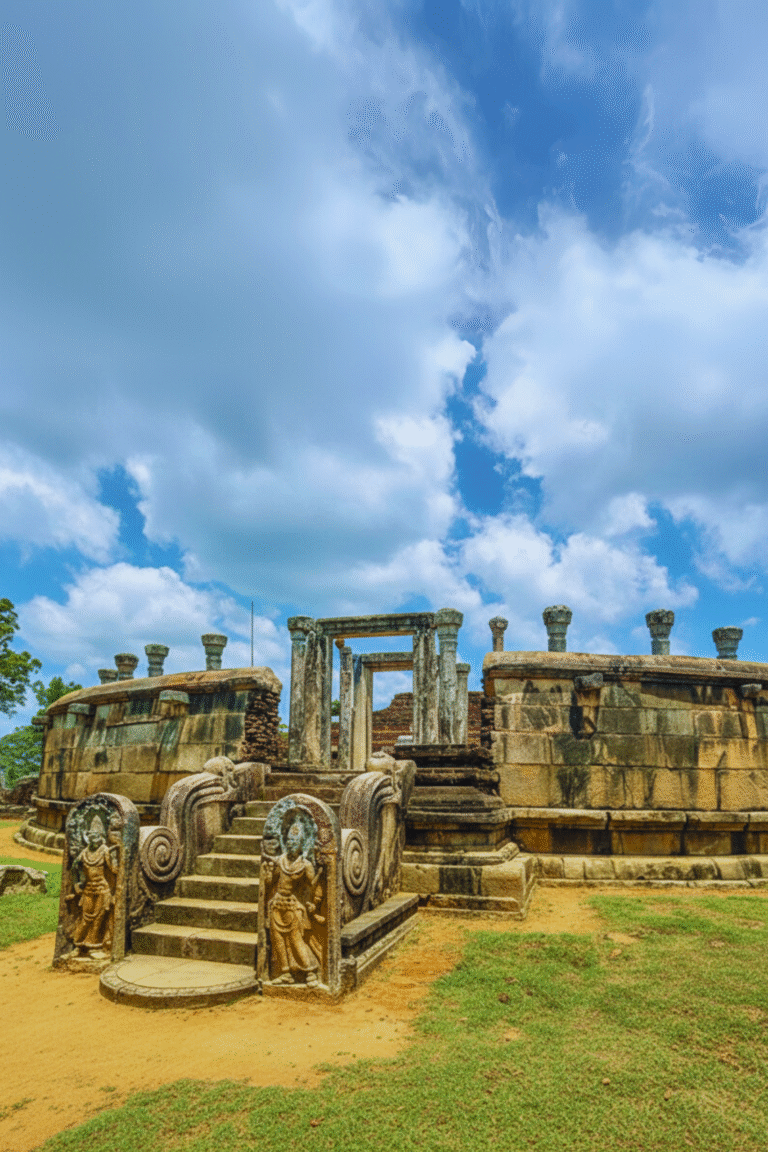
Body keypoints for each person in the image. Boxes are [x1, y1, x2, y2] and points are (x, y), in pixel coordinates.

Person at [265, 818, 323, 985]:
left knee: (297, 942)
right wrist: (268, 875)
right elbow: (272, 882)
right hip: (277, 905)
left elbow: (313, 886)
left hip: (293, 907)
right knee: (278, 941)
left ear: (301, 844)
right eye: (289, 840)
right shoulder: (280, 861)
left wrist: (320, 872)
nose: (291, 844)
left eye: (294, 841)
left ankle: (310, 972)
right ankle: (285, 973)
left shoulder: (305, 865)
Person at [70, 814, 118, 953]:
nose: (94, 840)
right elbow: (74, 868)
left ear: (101, 837)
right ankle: (78, 942)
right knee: (85, 918)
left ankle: (93, 944)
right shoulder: (84, 852)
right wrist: (76, 884)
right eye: (91, 837)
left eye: (96, 837)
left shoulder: (105, 850)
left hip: (102, 889)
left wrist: (118, 857)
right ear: (88, 838)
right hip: (89, 889)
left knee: (98, 919)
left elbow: (113, 870)